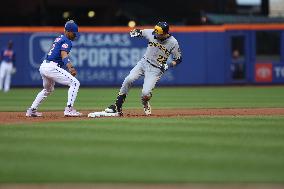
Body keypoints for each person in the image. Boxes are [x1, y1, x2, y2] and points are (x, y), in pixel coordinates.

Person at [89, 21, 182, 117]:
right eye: (155, 32)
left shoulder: (173, 42)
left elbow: (178, 59)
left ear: (165, 33)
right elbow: (139, 31)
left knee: (145, 94)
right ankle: (118, 106)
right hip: (143, 63)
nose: (156, 35)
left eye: (158, 33)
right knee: (128, 79)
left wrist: (169, 65)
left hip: (156, 69)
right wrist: (135, 32)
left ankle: (145, 103)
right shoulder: (151, 33)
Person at [26, 20, 82, 117]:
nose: (75, 35)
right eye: (74, 33)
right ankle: (69, 109)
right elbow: (64, 55)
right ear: (68, 31)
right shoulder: (67, 41)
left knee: (48, 90)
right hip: (51, 67)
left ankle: (32, 110)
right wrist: (71, 67)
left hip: (44, 66)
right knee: (75, 83)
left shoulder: (60, 38)